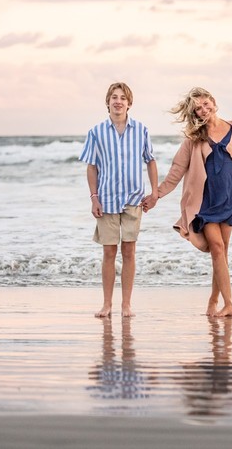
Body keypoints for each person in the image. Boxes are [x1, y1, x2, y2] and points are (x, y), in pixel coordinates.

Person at [142, 87, 232, 318]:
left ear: (213, 101)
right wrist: (156, 195)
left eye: (205, 104)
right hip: (205, 202)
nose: (203, 110)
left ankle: (214, 299)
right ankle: (229, 304)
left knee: (221, 253)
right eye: (198, 109)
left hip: (231, 198)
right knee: (218, 249)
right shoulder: (193, 139)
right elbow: (176, 171)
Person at [80, 82, 158, 318]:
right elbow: (91, 166)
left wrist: (154, 192)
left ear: (129, 103)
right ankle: (107, 304)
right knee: (109, 253)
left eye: (123, 98)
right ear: (108, 102)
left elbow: (150, 161)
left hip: (134, 199)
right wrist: (94, 198)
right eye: (114, 97)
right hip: (107, 200)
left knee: (129, 251)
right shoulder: (96, 132)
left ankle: (126, 305)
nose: (118, 101)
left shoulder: (141, 130)